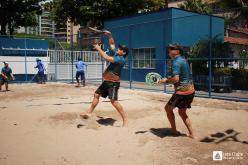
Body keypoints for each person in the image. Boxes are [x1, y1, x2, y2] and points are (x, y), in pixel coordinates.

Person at [80, 30, 129, 127]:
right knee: (96, 95)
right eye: (119, 48)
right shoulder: (117, 54)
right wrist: (110, 35)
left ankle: (125, 120)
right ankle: (89, 112)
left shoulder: (120, 59)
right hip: (107, 82)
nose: (118, 49)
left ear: (124, 52)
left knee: (114, 102)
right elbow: (112, 43)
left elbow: (106, 57)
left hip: (113, 83)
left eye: (120, 49)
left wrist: (98, 48)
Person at [158, 43, 196, 139]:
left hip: (182, 93)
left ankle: (174, 131)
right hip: (190, 91)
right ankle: (192, 134)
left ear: (176, 51)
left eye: (171, 49)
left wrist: (165, 81)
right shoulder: (183, 60)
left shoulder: (176, 62)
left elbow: (176, 79)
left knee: (167, 108)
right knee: (182, 112)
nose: (169, 51)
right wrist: (169, 79)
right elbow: (181, 76)